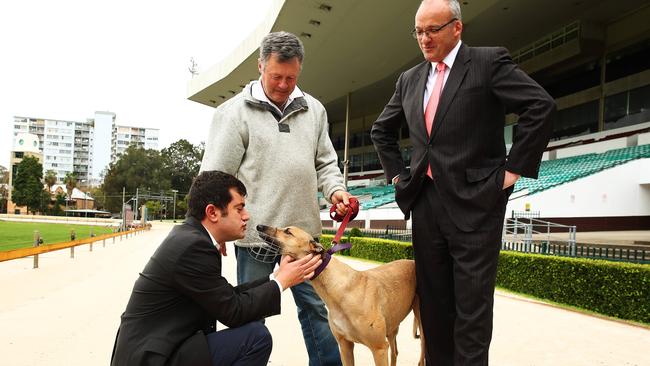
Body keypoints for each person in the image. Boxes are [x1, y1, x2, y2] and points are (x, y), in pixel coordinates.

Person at [371, 0, 555, 364]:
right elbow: (381, 131)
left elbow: (540, 105)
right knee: (436, 309)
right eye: (418, 31)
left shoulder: (488, 62)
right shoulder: (409, 79)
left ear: (457, 27)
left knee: (472, 310)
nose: (424, 39)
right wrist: (398, 176)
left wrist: (511, 171)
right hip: (425, 203)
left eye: (432, 30)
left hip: (477, 201)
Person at [200, 31, 352, 366]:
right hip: (253, 235)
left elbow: (326, 163)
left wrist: (336, 191)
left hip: (304, 241)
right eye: (276, 77)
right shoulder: (233, 113)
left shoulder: (315, 110)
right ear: (260, 66)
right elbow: (214, 177)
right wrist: (211, 230)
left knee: (316, 311)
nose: (283, 84)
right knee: (252, 317)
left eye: (291, 77)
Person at [111, 171, 322, 366]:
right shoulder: (193, 247)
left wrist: (276, 276)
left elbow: (227, 296)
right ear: (212, 212)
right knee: (256, 338)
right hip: (154, 358)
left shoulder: (192, 238)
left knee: (252, 334)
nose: (247, 215)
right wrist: (283, 281)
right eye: (239, 209)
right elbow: (234, 312)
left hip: (166, 349)